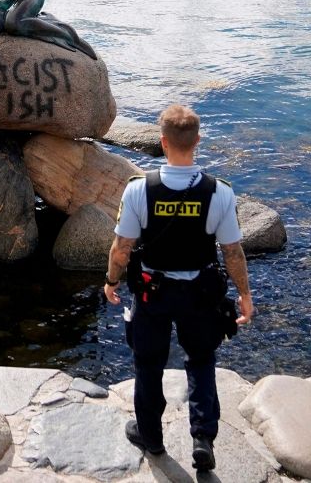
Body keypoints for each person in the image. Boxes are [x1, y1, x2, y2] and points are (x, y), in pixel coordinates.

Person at [103, 104, 253, 473]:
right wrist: (245, 295)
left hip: (152, 293)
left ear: (163, 142)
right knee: (201, 361)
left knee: (148, 364)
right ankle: (202, 438)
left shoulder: (139, 190)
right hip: (200, 294)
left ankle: (151, 436)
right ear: (197, 141)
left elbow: (122, 248)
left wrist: (110, 281)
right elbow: (232, 252)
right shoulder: (220, 193)